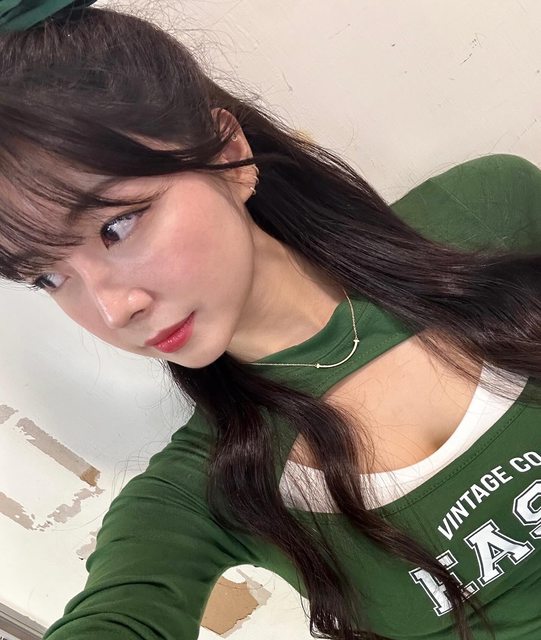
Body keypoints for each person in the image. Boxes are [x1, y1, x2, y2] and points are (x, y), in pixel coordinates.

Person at [0, 2, 540, 639]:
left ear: (230, 152)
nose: (114, 310)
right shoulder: (207, 490)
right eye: (48, 276)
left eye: (117, 226)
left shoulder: (488, 216)